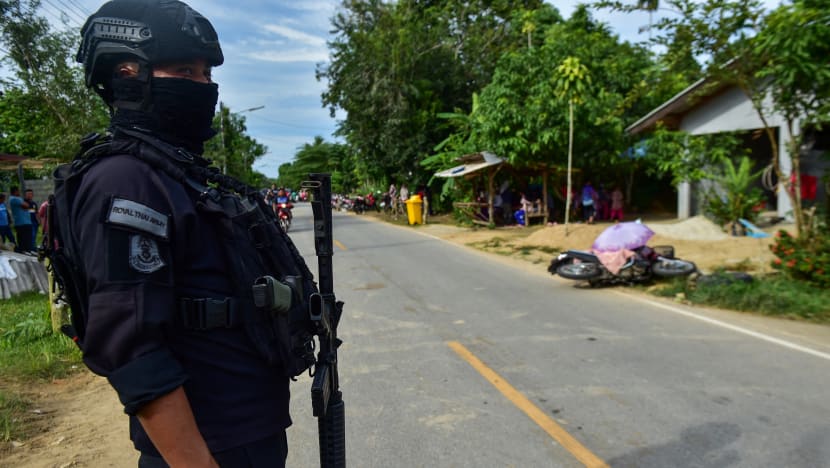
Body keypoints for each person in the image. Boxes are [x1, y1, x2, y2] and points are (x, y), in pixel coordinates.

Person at [61, 1, 316, 465]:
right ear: (127, 74)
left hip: (247, 433)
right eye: (185, 71)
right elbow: (132, 348)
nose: (204, 87)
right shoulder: (127, 180)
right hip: (207, 447)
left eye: (206, 74)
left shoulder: (180, 175)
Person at [9, 187, 33, 253]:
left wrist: (26, 207)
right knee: (23, 238)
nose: (19, 193)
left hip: (27, 221)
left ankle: (28, 250)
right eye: (18, 191)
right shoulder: (14, 199)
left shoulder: (19, 199)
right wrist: (26, 206)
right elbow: (27, 206)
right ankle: (23, 250)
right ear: (15, 191)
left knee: (28, 237)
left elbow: (29, 208)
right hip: (21, 222)